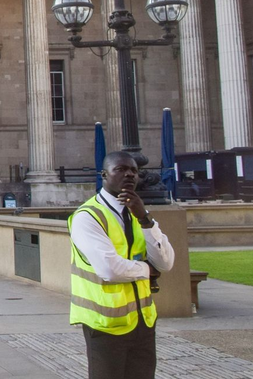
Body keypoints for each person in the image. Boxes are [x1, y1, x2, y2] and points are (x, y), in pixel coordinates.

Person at [69, 150, 175, 379]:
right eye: (120, 169)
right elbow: (109, 269)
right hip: (106, 324)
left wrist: (145, 218)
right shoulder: (88, 216)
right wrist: (148, 270)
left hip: (143, 322)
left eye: (134, 171)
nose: (129, 175)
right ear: (103, 175)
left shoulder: (138, 214)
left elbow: (166, 262)